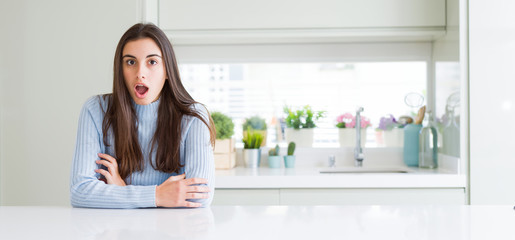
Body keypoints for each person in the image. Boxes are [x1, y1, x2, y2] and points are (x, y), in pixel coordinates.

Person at [70, 23, 215, 208]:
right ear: (120, 70)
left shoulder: (193, 117)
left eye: (152, 62)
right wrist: (157, 195)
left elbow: (198, 198)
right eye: (130, 62)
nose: (140, 73)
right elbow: (80, 191)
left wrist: (121, 190)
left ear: (167, 70)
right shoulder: (96, 110)